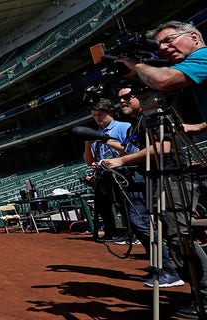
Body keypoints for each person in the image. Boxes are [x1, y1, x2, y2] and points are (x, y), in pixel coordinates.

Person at [115, 21, 207, 318]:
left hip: (172, 174)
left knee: (177, 231)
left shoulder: (203, 58)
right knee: (174, 231)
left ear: (194, 37)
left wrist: (136, 64)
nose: (165, 48)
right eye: (160, 45)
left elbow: (165, 81)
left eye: (169, 41)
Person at [103, 86, 184, 288]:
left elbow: (162, 148)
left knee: (174, 234)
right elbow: (133, 150)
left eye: (128, 97)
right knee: (151, 227)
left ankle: (178, 275)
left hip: (169, 178)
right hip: (151, 180)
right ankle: (165, 270)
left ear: (141, 96)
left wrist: (122, 161)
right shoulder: (134, 125)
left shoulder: (152, 115)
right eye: (119, 99)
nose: (122, 102)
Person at [82, 98, 131, 242]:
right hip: (105, 176)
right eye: (94, 116)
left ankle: (131, 233)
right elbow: (89, 161)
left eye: (100, 114)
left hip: (124, 174)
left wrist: (105, 140)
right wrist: (87, 144)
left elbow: (130, 149)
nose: (97, 118)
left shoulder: (124, 126)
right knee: (104, 207)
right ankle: (112, 232)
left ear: (110, 112)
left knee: (125, 206)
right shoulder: (95, 133)